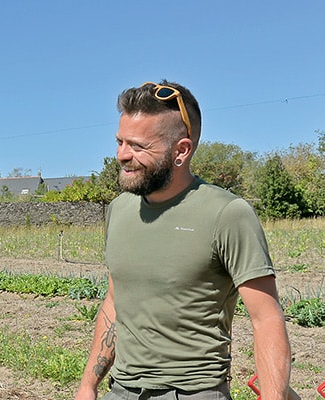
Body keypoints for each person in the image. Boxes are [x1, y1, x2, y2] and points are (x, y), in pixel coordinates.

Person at [75, 81, 298, 400]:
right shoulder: (119, 210)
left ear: (181, 150)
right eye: (120, 142)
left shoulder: (227, 214)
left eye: (138, 146)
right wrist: (88, 384)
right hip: (122, 391)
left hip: (193, 393)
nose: (122, 155)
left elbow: (266, 317)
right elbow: (114, 300)